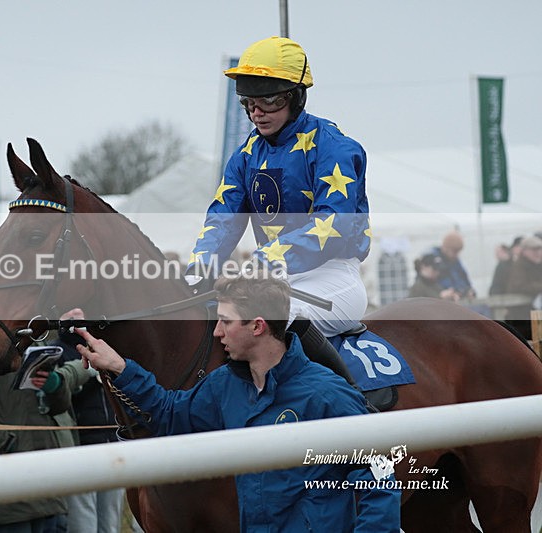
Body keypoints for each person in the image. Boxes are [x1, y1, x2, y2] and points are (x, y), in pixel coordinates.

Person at [74, 276, 401, 532]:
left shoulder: (328, 395)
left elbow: (379, 481)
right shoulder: (224, 386)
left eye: (225, 321)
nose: (217, 333)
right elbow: (169, 415)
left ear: (257, 325)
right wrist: (119, 367)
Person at [185, 35, 369, 386]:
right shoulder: (244, 155)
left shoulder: (336, 148)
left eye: (268, 99)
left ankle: (352, 402)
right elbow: (222, 221)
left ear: (296, 96)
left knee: (267, 323)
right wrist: (198, 270)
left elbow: (333, 226)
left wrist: (262, 261)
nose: (257, 111)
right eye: (248, 102)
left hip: (331, 278)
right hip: (269, 278)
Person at [0, 339, 93, 533]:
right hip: (6, 484)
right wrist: (9, 443)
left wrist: (55, 386)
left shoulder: (34, 340)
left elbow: (59, 408)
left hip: (49, 484)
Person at [55, 330, 125, 533]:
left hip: (112, 444)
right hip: (79, 448)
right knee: (83, 524)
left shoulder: (106, 345)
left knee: (110, 524)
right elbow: (58, 393)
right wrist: (85, 370)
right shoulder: (55, 350)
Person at [505, 235, 542, 339]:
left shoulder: (539, 266)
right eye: (534, 250)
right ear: (525, 251)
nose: (538, 253)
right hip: (521, 315)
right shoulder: (519, 266)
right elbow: (519, 285)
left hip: (535, 314)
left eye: (540, 249)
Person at [428, 230, 476, 300]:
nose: (456, 255)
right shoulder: (433, 262)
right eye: (454, 251)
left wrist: (468, 291)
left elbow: (465, 280)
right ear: (446, 248)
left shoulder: (456, 262)